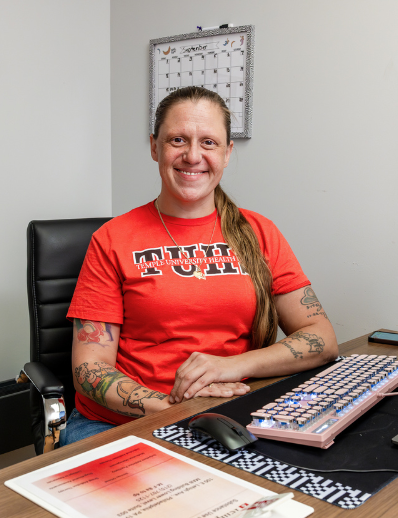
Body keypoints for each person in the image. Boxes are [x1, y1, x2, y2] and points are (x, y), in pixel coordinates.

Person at [61, 86, 338, 446]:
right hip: (121, 424)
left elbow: (322, 337)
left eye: (208, 142)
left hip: (229, 415)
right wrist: (170, 410)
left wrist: (233, 366)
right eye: (178, 139)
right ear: (154, 147)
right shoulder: (112, 239)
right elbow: (89, 369)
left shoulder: (259, 233)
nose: (193, 156)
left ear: (227, 153)